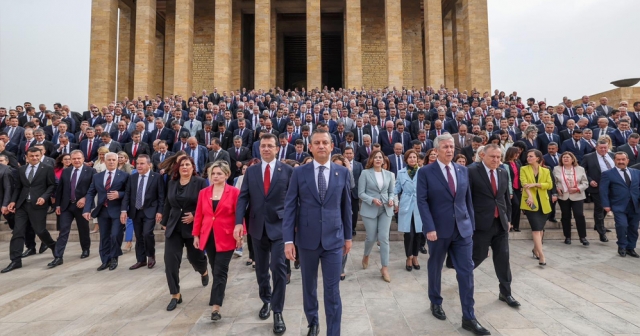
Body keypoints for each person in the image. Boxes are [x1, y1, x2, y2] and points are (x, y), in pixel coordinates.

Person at [416, 133, 489, 335]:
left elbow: (467, 201)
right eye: (445, 147)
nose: (449, 150)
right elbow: (422, 201)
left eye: (451, 147)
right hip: (438, 231)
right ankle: (435, 301)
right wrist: (429, 227)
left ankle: (469, 316)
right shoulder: (426, 172)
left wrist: (471, 226)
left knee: (466, 271)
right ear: (436, 150)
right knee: (435, 266)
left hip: (463, 230)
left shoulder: (462, 170)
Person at [283, 130, 352, 336]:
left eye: (325, 142)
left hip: (334, 240)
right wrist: (288, 240)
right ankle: (313, 321)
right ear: (310, 147)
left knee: (332, 290)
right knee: (309, 287)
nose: (321, 146)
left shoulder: (343, 173)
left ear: (332, 146)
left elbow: (346, 207)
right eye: (317, 143)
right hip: (306, 240)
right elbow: (290, 207)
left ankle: (334, 331)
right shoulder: (299, 173)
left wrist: (348, 237)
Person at [235, 133, 292, 334]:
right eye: (263, 146)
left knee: (277, 268)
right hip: (256, 228)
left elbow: (294, 200)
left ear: (277, 148)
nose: (266, 149)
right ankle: (266, 300)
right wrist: (237, 223)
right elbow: (242, 198)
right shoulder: (250, 172)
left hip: (279, 227)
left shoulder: (287, 170)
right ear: (259, 149)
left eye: (270, 146)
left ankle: (278, 311)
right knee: (261, 271)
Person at [468, 144, 520, 308]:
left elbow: (505, 199)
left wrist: (508, 218)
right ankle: (463, 275)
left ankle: (506, 293)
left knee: (503, 259)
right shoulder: (471, 171)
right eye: (492, 157)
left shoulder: (503, 172)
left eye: (499, 157)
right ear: (483, 155)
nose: (496, 160)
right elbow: (466, 199)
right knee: (478, 256)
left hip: (501, 223)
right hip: (481, 223)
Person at [193, 162, 242, 321]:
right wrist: (196, 235)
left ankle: (216, 307)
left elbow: (239, 216)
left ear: (227, 175)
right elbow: (199, 215)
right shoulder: (203, 192)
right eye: (213, 173)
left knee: (221, 270)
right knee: (215, 268)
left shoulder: (234, 192)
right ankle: (219, 291)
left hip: (226, 237)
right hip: (208, 236)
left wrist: (240, 234)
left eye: (219, 173)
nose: (215, 176)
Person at [161, 155, 209, 311]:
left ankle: (203, 270)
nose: (184, 167)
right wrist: (164, 222)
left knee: (195, 257)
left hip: (193, 227)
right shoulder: (172, 183)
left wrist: (195, 215)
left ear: (193, 167)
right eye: (182, 165)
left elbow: (206, 204)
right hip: (174, 226)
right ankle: (175, 294)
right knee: (170, 261)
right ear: (178, 168)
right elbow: (168, 203)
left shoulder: (200, 183)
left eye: (187, 164)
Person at [2, 147, 58, 273]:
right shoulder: (21, 169)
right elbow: (18, 188)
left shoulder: (47, 168)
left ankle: (54, 246)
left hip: (38, 205)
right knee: (17, 232)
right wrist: (12, 201)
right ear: (26, 157)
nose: (34, 158)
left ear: (41, 154)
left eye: (37, 155)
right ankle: (15, 260)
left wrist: (44, 197)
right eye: (31, 156)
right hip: (22, 205)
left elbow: (51, 185)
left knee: (40, 230)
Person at [83, 152, 130, 271]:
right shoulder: (97, 176)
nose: (111, 162)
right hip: (102, 210)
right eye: (109, 160)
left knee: (115, 235)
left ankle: (114, 258)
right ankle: (105, 260)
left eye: (114, 160)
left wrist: (119, 194)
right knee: (104, 237)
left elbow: (129, 193)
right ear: (104, 160)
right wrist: (87, 209)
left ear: (117, 161)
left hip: (117, 210)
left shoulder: (124, 175)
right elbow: (90, 192)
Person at [51, 150, 96, 267]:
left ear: (83, 159)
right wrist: (58, 205)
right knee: (63, 231)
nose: (76, 160)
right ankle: (58, 256)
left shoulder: (91, 171)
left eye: (78, 158)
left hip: (81, 206)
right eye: (74, 158)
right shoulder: (66, 172)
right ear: (70, 159)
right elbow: (60, 189)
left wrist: (85, 198)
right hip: (66, 205)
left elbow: (94, 189)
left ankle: (85, 249)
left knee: (83, 229)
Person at [121, 154, 165, 269]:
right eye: (137, 163)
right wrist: (124, 210)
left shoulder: (156, 177)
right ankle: (141, 260)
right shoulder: (132, 177)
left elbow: (161, 196)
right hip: (136, 211)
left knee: (147, 234)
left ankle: (151, 255)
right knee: (139, 236)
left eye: (142, 163)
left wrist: (160, 211)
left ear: (149, 165)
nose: (139, 166)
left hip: (150, 210)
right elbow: (127, 195)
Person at [359, 149, 396, 282]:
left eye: (380, 157)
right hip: (370, 209)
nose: (378, 159)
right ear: (371, 160)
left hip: (386, 209)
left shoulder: (390, 174)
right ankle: (366, 255)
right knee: (371, 237)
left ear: (384, 160)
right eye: (376, 157)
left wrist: (392, 199)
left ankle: (384, 268)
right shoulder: (365, 173)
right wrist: (372, 200)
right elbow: (361, 193)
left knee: (384, 238)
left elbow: (392, 191)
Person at [600, 152, 640, 258]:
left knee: (633, 228)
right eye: (618, 159)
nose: (621, 161)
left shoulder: (636, 172)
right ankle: (622, 246)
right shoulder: (607, 174)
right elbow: (603, 191)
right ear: (614, 160)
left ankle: (630, 248)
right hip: (618, 205)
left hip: (635, 205)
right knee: (622, 225)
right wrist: (606, 205)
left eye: (623, 159)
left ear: (627, 160)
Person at [520, 149, 553, 266]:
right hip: (530, 203)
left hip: (544, 203)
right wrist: (530, 196)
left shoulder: (546, 171)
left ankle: (535, 249)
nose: (528, 158)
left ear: (537, 158)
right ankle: (542, 255)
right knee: (536, 229)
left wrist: (535, 184)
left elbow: (549, 185)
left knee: (540, 229)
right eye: (527, 156)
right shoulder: (523, 169)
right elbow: (524, 184)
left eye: (531, 156)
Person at [580, 139, 614, 242]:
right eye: (601, 148)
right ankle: (601, 232)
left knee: (606, 207)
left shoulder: (613, 155)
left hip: (612, 187)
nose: (603, 150)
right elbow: (582, 171)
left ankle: (598, 225)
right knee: (599, 208)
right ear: (596, 147)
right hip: (597, 186)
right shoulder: (588, 157)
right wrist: (590, 180)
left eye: (605, 148)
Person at [553, 152, 589, 245]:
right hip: (563, 196)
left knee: (579, 215)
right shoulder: (556, 169)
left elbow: (585, 183)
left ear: (572, 159)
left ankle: (582, 237)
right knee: (565, 216)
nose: (565, 159)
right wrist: (557, 188)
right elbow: (554, 182)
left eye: (567, 157)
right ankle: (567, 237)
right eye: (563, 157)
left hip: (577, 196)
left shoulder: (580, 169)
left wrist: (577, 189)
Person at [394, 149, 422, 271]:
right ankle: (409, 257)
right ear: (406, 159)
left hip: (419, 205)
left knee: (418, 233)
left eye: (414, 157)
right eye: (410, 157)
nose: (412, 159)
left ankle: (415, 256)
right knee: (409, 234)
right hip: (406, 204)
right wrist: (395, 202)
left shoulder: (423, 172)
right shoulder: (401, 172)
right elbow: (396, 189)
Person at [331, 154, 354, 281]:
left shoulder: (345, 174)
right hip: (331, 213)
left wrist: (349, 169)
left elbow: (352, 186)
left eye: (341, 166)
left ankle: (341, 268)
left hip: (344, 210)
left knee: (344, 241)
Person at [503, 147, 522, 232]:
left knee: (518, 207)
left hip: (518, 187)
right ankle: (510, 224)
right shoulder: (505, 164)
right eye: (516, 153)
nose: (517, 155)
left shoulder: (518, 163)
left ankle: (516, 225)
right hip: (510, 188)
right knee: (515, 204)